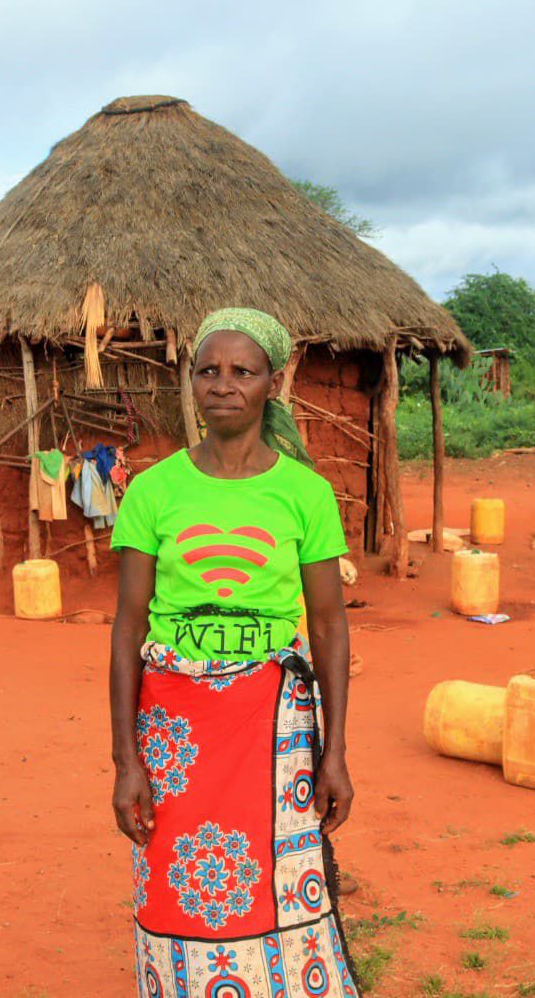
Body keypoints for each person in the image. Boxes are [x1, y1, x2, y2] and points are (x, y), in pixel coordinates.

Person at [109, 308, 361, 995]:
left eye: (242, 372)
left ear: (272, 383)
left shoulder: (305, 494)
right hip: (174, 731)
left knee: (279, 882)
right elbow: (128, 629)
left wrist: (335, 752)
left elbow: (328, 626)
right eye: (208, 370)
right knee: (172, 881)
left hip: (272, 727)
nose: (223, 385)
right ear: (191, 381)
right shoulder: (154, 490)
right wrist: (127, 760)